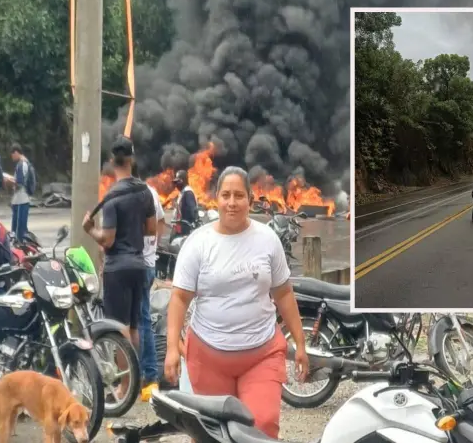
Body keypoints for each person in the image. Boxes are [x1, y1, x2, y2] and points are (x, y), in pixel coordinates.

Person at [164, 166, 309, 438]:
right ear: (216, 198)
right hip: (208, 357)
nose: (232, 203)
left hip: (261, 354)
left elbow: (284, 293)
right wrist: (172, 348)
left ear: (250, 201)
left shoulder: (267, 240)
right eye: (226, 195)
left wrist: (300, 343)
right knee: (212, 434)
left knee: (261, 427)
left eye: (239, 196)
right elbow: (180, 298)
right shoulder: (198, 244)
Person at [82, 135, 157, 397]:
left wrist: (90, 229)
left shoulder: (112, 196)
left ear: (112, 161)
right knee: (134, 327)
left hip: (117, 269)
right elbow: (151, 229)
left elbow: (108, 238)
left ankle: (124, 386)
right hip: (139, 266)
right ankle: (134, 383)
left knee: (118, 328)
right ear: (132, 158)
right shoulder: (144, 191)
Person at [134, 165, 165, 400]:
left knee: (137, 322)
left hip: (135, 265)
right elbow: (160, 222)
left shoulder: (131, 193)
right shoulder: (152, 193)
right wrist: (154, 247)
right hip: (148, 263)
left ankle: (144, 376)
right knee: (143, 320)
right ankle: (147, 377)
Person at [3, 143, 32, 241]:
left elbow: (20, 183)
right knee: (17, 227)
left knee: (19, 228)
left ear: (16, 152)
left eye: (12, 154)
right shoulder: (23, 163)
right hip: (18, 199)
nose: (11, 157)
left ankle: (20, 246)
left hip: (22, 199)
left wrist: (9, 180)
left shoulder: (22, 164)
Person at [173, 170, 198, 235]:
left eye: (177, 182)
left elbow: (193, 211)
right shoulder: (183, 192)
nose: (176, 185)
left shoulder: (188, 193)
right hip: (180, 227)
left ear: (182, 181)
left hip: (186, 229)